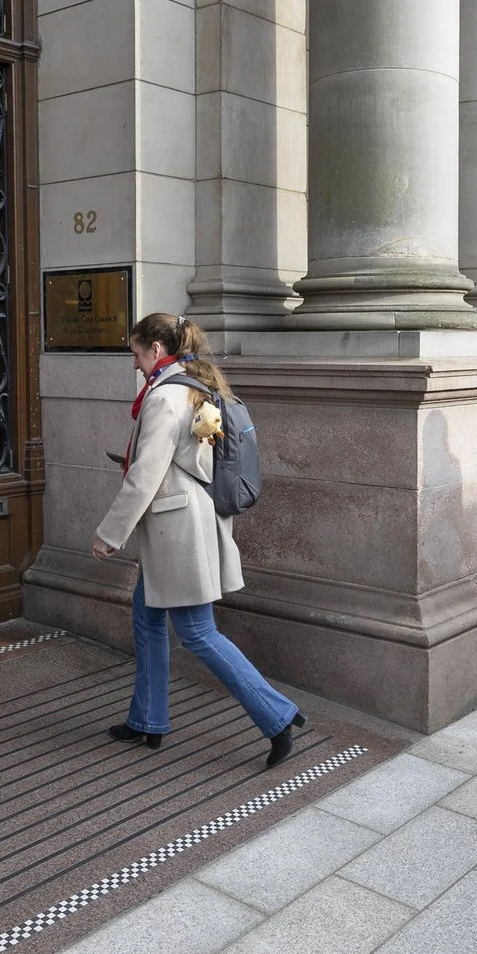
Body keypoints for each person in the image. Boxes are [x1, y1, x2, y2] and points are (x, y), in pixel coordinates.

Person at [93, 313, 304, 766]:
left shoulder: (165, 397)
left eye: (136, 353)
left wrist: (109, 533)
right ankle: (146, 720)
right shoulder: (191, 386)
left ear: (155, 349)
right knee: (147, 617)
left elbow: (146, 475)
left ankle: (278, 716)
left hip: (178, 532)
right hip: (180, 524)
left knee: (198, 632)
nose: (134, 363)